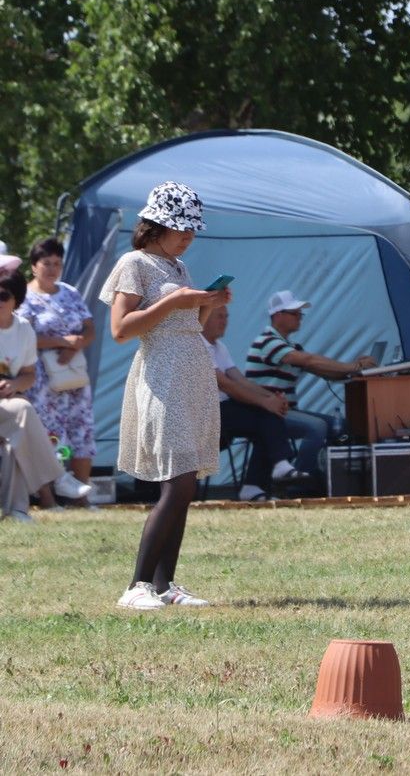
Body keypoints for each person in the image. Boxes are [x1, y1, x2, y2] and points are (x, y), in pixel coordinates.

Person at [100, 182, 227, 610]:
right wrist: (177, 304)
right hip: (163, 376)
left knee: (186, 483)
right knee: (176, 484)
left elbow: (189, 323)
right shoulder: (133, 263)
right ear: (156, 225)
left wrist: (208, 302)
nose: (189, 237)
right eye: (182, 229)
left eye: (192, 230)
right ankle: (136, 585)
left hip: (191, 374)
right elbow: (122, 329)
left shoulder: (177, 267)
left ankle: (164, 584)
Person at [245, 290, 375, 476]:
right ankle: (296, 480)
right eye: (294, 313)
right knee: (317, 427)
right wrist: (354, 366)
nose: (300, 317)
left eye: (300, 313)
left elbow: (324, 371)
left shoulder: (290, 346)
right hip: (267, 413)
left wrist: (357, 370)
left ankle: (324, 478)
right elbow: (310, 361)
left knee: (341, 426)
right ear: (278, 315)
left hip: (284, 412)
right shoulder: (268, 342)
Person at [19, 237, 97, 495]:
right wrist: (61, 341)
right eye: (46, 263)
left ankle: (81, 497)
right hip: (43, 379)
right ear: (34, 266)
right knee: (47, 434)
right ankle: (49, 497)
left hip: (74, 375)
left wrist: (76, 345)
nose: (52, 269)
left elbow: (89, 327)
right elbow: (24, 337)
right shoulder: (25, 298)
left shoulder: (70, 292)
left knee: (81, 431)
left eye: (57, 263)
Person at [203, 305, 298, 501]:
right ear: (203, 319)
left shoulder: (220, 347)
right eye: (219, 316)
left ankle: (256, 485)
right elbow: (228, 385)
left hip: (224, 410)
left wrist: (271, 398)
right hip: (206, 415)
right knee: (265, 414)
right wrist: (266, 402)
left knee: (268, 417)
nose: (225, 321)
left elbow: (242, 381)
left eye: (226, 316)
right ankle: (276, 467)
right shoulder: (197, 345)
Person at [0, 267, 71, 520]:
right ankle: (58, 477)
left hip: (6, 407)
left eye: (2, 295)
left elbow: (29, 375)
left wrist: (15, 384)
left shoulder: (24, 330)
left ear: (16, 299)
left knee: (16, 438)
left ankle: (16, 509)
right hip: (11, 408)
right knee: (23, 411)